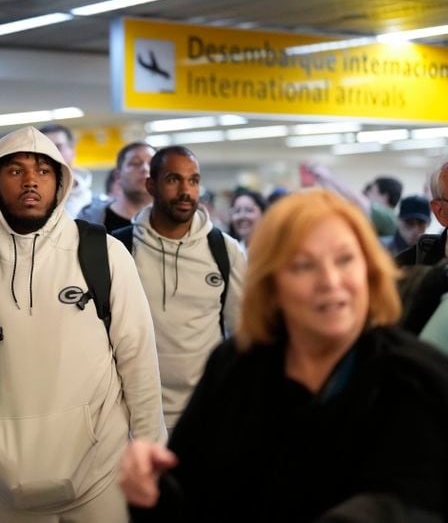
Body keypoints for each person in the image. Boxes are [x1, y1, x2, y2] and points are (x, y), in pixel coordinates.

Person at [119, 188, 448, 523]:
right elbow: (191, 493)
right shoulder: (237, 365)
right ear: (271, 284)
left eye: (346, 259)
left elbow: (418, 498)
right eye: (304, 265)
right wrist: (151, 487)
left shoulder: (412, 376)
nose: (330, 281)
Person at [0, 126, 166, 522]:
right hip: (10, 477)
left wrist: (149, 447)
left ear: (60, 181)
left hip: (102, 471)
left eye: (42, 170)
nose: (31, 180)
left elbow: (137, 355)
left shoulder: (103, 253)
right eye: (15, 171)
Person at [115, 145, 245, 431]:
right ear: (152, 185)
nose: (186, 190)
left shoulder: (224, 249)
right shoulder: (119, 249)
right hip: (134, 417)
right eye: (174, 179)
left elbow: (242, 334)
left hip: (207, 413)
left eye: (194, 180)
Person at [78, 142, 155, 232]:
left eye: (152, 164)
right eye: (135, 163)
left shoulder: (172, 220)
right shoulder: (89, 221)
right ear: (118, 175)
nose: (145, 169)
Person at [397, 162, 448, 266]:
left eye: (420, 223)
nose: (415, 229)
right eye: (410, 223)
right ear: (440, 212)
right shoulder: (402, 270)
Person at [39, 123, 92, 218]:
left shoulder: (91, 201)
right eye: (45, 148)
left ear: (72, 153)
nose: (51, 153)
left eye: (58, 147)